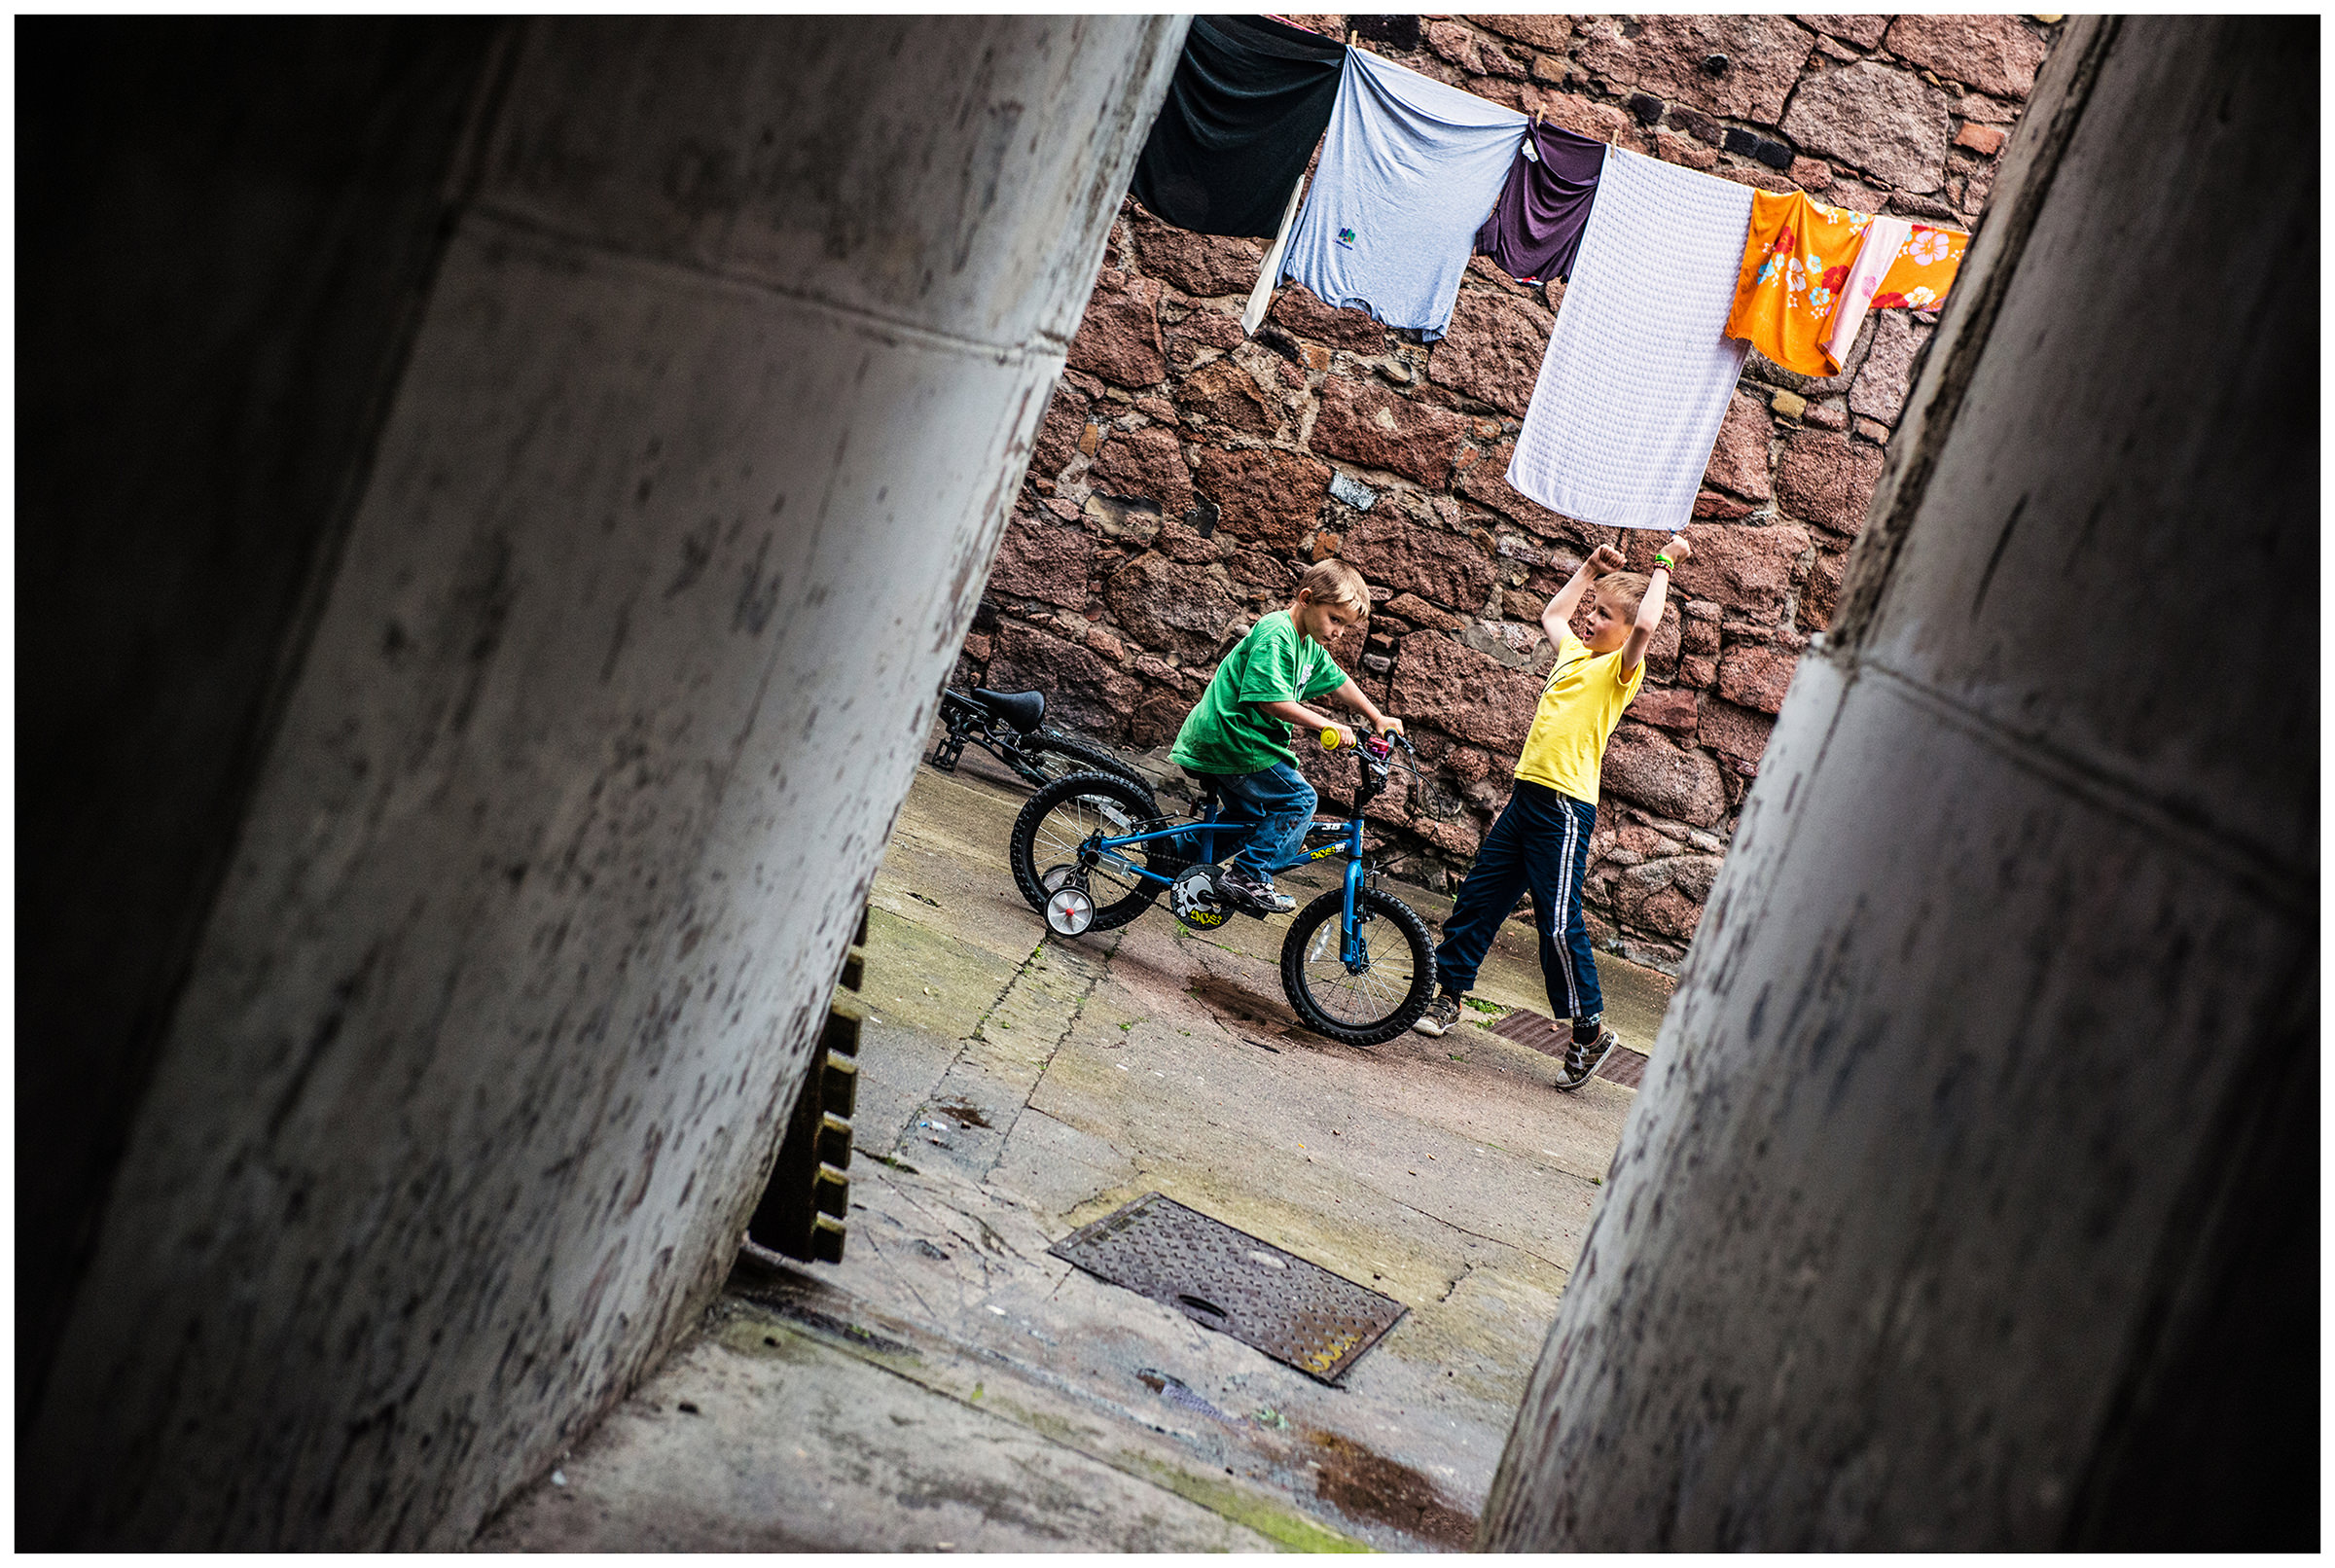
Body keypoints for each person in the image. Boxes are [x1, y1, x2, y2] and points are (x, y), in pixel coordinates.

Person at [1411, 533, 1693, 1090]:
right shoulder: (1573, 653)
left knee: (1557, 922)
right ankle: (1445, 997)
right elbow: (1553, 613)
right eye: (1594, 611)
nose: (1591, 620)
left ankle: (1588, 1032)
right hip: (1526, 798)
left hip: (1564, 811)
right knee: (1479, 897)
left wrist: (1665, 564)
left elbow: (1646, 627)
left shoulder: (1619, 672)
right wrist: (1589, 570)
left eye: (1604, 616)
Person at [1169, 558, 1403, 914]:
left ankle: (1172, 855)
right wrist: (1325, 724)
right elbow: (1270, 701)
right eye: (1335, 619)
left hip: (1246, 744)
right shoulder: (1277, 631)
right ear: (1306, 598)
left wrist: (1376, 716)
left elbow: (1339, 680)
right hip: (1234, 740)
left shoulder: (1307, 645)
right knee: (1298, 800)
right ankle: (1247, 876)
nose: (1339, 632)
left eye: (1346, 626)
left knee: (1259, 821)